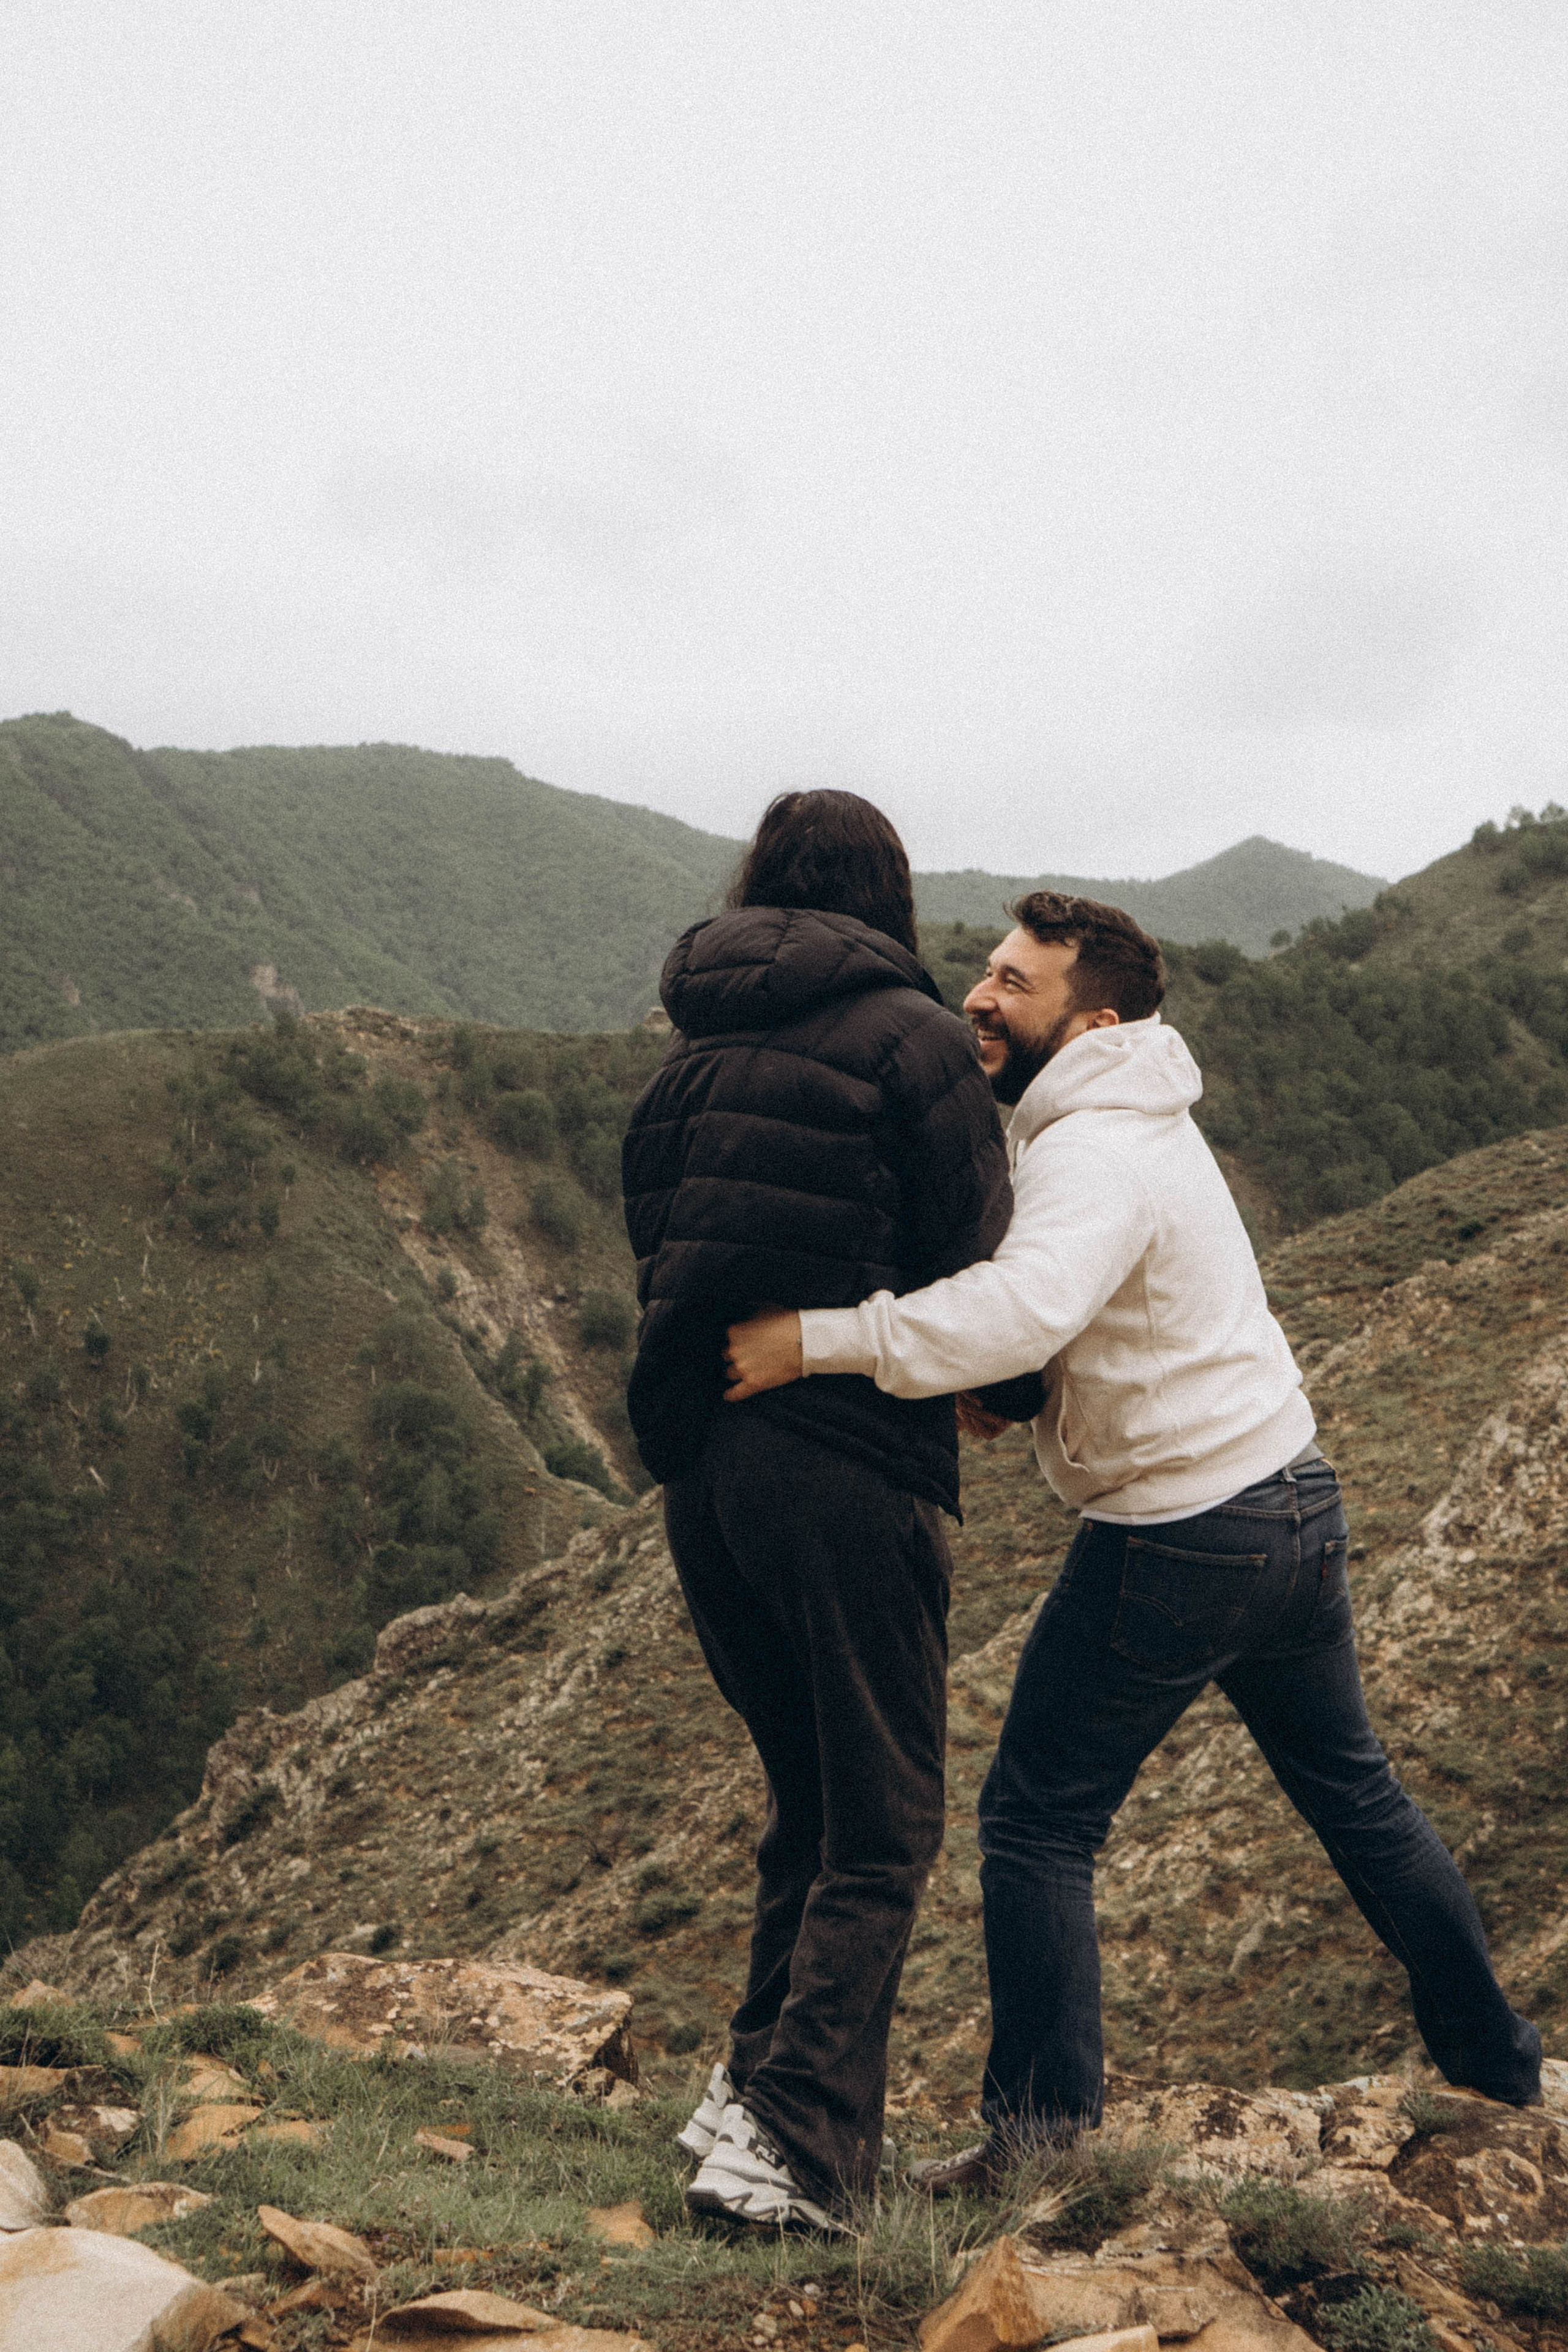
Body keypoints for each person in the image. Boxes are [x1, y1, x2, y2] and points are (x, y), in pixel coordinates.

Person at [723, 889, 1542, 2192]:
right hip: (1288, 1496)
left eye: (1014, 985)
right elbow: (1085, 1320)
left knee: (1036, 1822)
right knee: (1357, 1798)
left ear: (1090, 1020)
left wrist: (814, 1339)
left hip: (1181, 1533)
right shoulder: (1139, 1118)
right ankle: (1497, 2063)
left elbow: (1022, 1306)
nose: (979, 998)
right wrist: (1031, 1393)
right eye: (983, 971)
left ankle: (1037, 2145)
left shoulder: (1090, 1146)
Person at [620, 790, 1015, 2231]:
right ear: (888, 898)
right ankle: (793, 2146)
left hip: (705, 1477)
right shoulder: (908, 1037)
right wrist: (1005, 1395)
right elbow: (980, 1255)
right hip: (847, 1464)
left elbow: (658, 1250)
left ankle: (745, 2092)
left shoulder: (686, 1058)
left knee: (810, 1793)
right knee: (887, 1818)